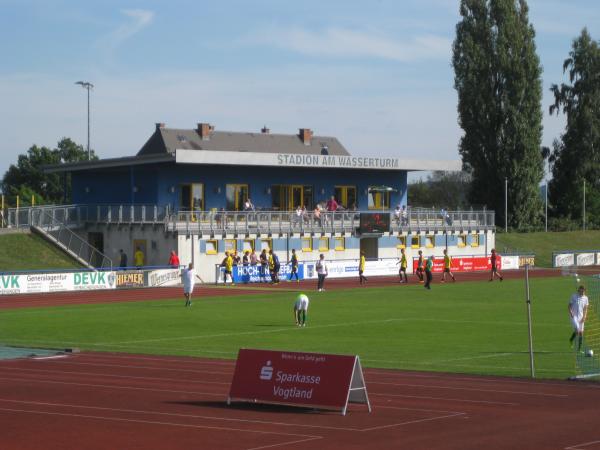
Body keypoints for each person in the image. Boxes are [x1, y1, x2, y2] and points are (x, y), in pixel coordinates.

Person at [569, 285, 589, 351]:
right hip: (574, 316)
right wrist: (571, 312)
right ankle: (571, 340)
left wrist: (584, 317)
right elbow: (569, 306)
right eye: (581, 291)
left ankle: (579, 349)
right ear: (579, 290)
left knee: (581, 333)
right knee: (578, 330)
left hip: (581, 317)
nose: (582, 292)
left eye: (583, 291)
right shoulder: (574, 296)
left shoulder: (586, 298)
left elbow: (586, 309)